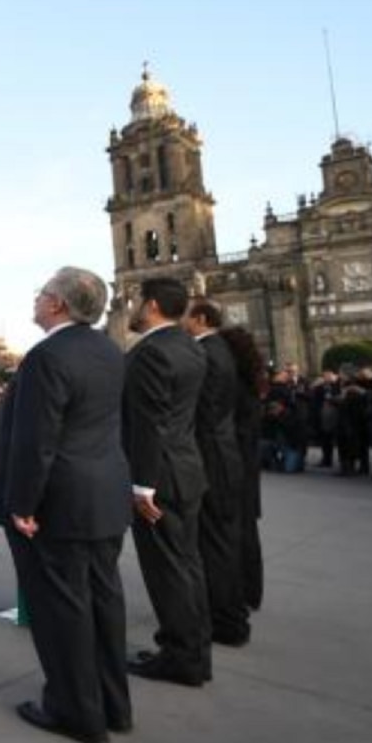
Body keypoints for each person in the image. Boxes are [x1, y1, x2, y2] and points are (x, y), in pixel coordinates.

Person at [0, 267, 132, 743]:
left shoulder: (47, 357)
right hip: (104, 498)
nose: (36, 298)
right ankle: (112, 705)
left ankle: (75, 712)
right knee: (103, 604)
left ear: (59, 306)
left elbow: (37, 439)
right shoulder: (110, 351)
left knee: (61, 612)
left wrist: (22, 503)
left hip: (59, 503)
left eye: (43, 292)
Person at [123, 277, 211, 687]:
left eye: (137, 300)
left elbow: (150, 424)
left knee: (168, 570)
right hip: (186, 470)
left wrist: (142, 485)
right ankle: (193, 650)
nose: (133, 307)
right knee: (187, 564)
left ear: (152, 305)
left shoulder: (150, 354)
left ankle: (181, 656)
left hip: (160, 479)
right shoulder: (190, 347)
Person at [182, 297, 252, 647]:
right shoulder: (216, 349)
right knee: (219, 543)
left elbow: (202, 413)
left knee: (216, 545)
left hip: (211, 458)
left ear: (201, 318)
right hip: (221, 455)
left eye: (186, 314)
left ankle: (227, 621)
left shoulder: (207, 352)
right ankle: (228, 616)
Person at [220, 325, 267, 611]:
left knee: (236, 530)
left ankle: (243, 590)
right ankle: (252, 590)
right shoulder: (251, 379)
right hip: (247, 461)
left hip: (236, 460)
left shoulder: (235, 383)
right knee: (247, 529)